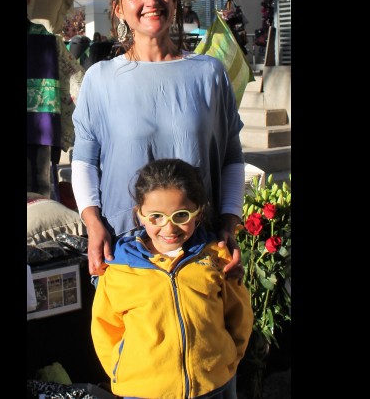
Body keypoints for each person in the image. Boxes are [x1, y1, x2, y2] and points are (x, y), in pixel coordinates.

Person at [71, 0, 245, 278]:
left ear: (175, 0)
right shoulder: (101, 78)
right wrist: (93, 224)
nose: (151, 0)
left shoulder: (209, 74)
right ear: (120, 9)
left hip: (199, 247)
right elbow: (84, 161)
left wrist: (229, 223)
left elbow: (231, 158)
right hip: (124, 248)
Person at [90, 158, 253, 399]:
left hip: (211, 386)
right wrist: (123, 372)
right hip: (143, 392)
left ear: (199, 212)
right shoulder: (119, 268)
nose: (169, 228)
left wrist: (226, 361)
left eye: (181, 215)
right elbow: (105, 329)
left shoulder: (217, 258)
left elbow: (238, 315)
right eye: (156, 216)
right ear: (140, 215)